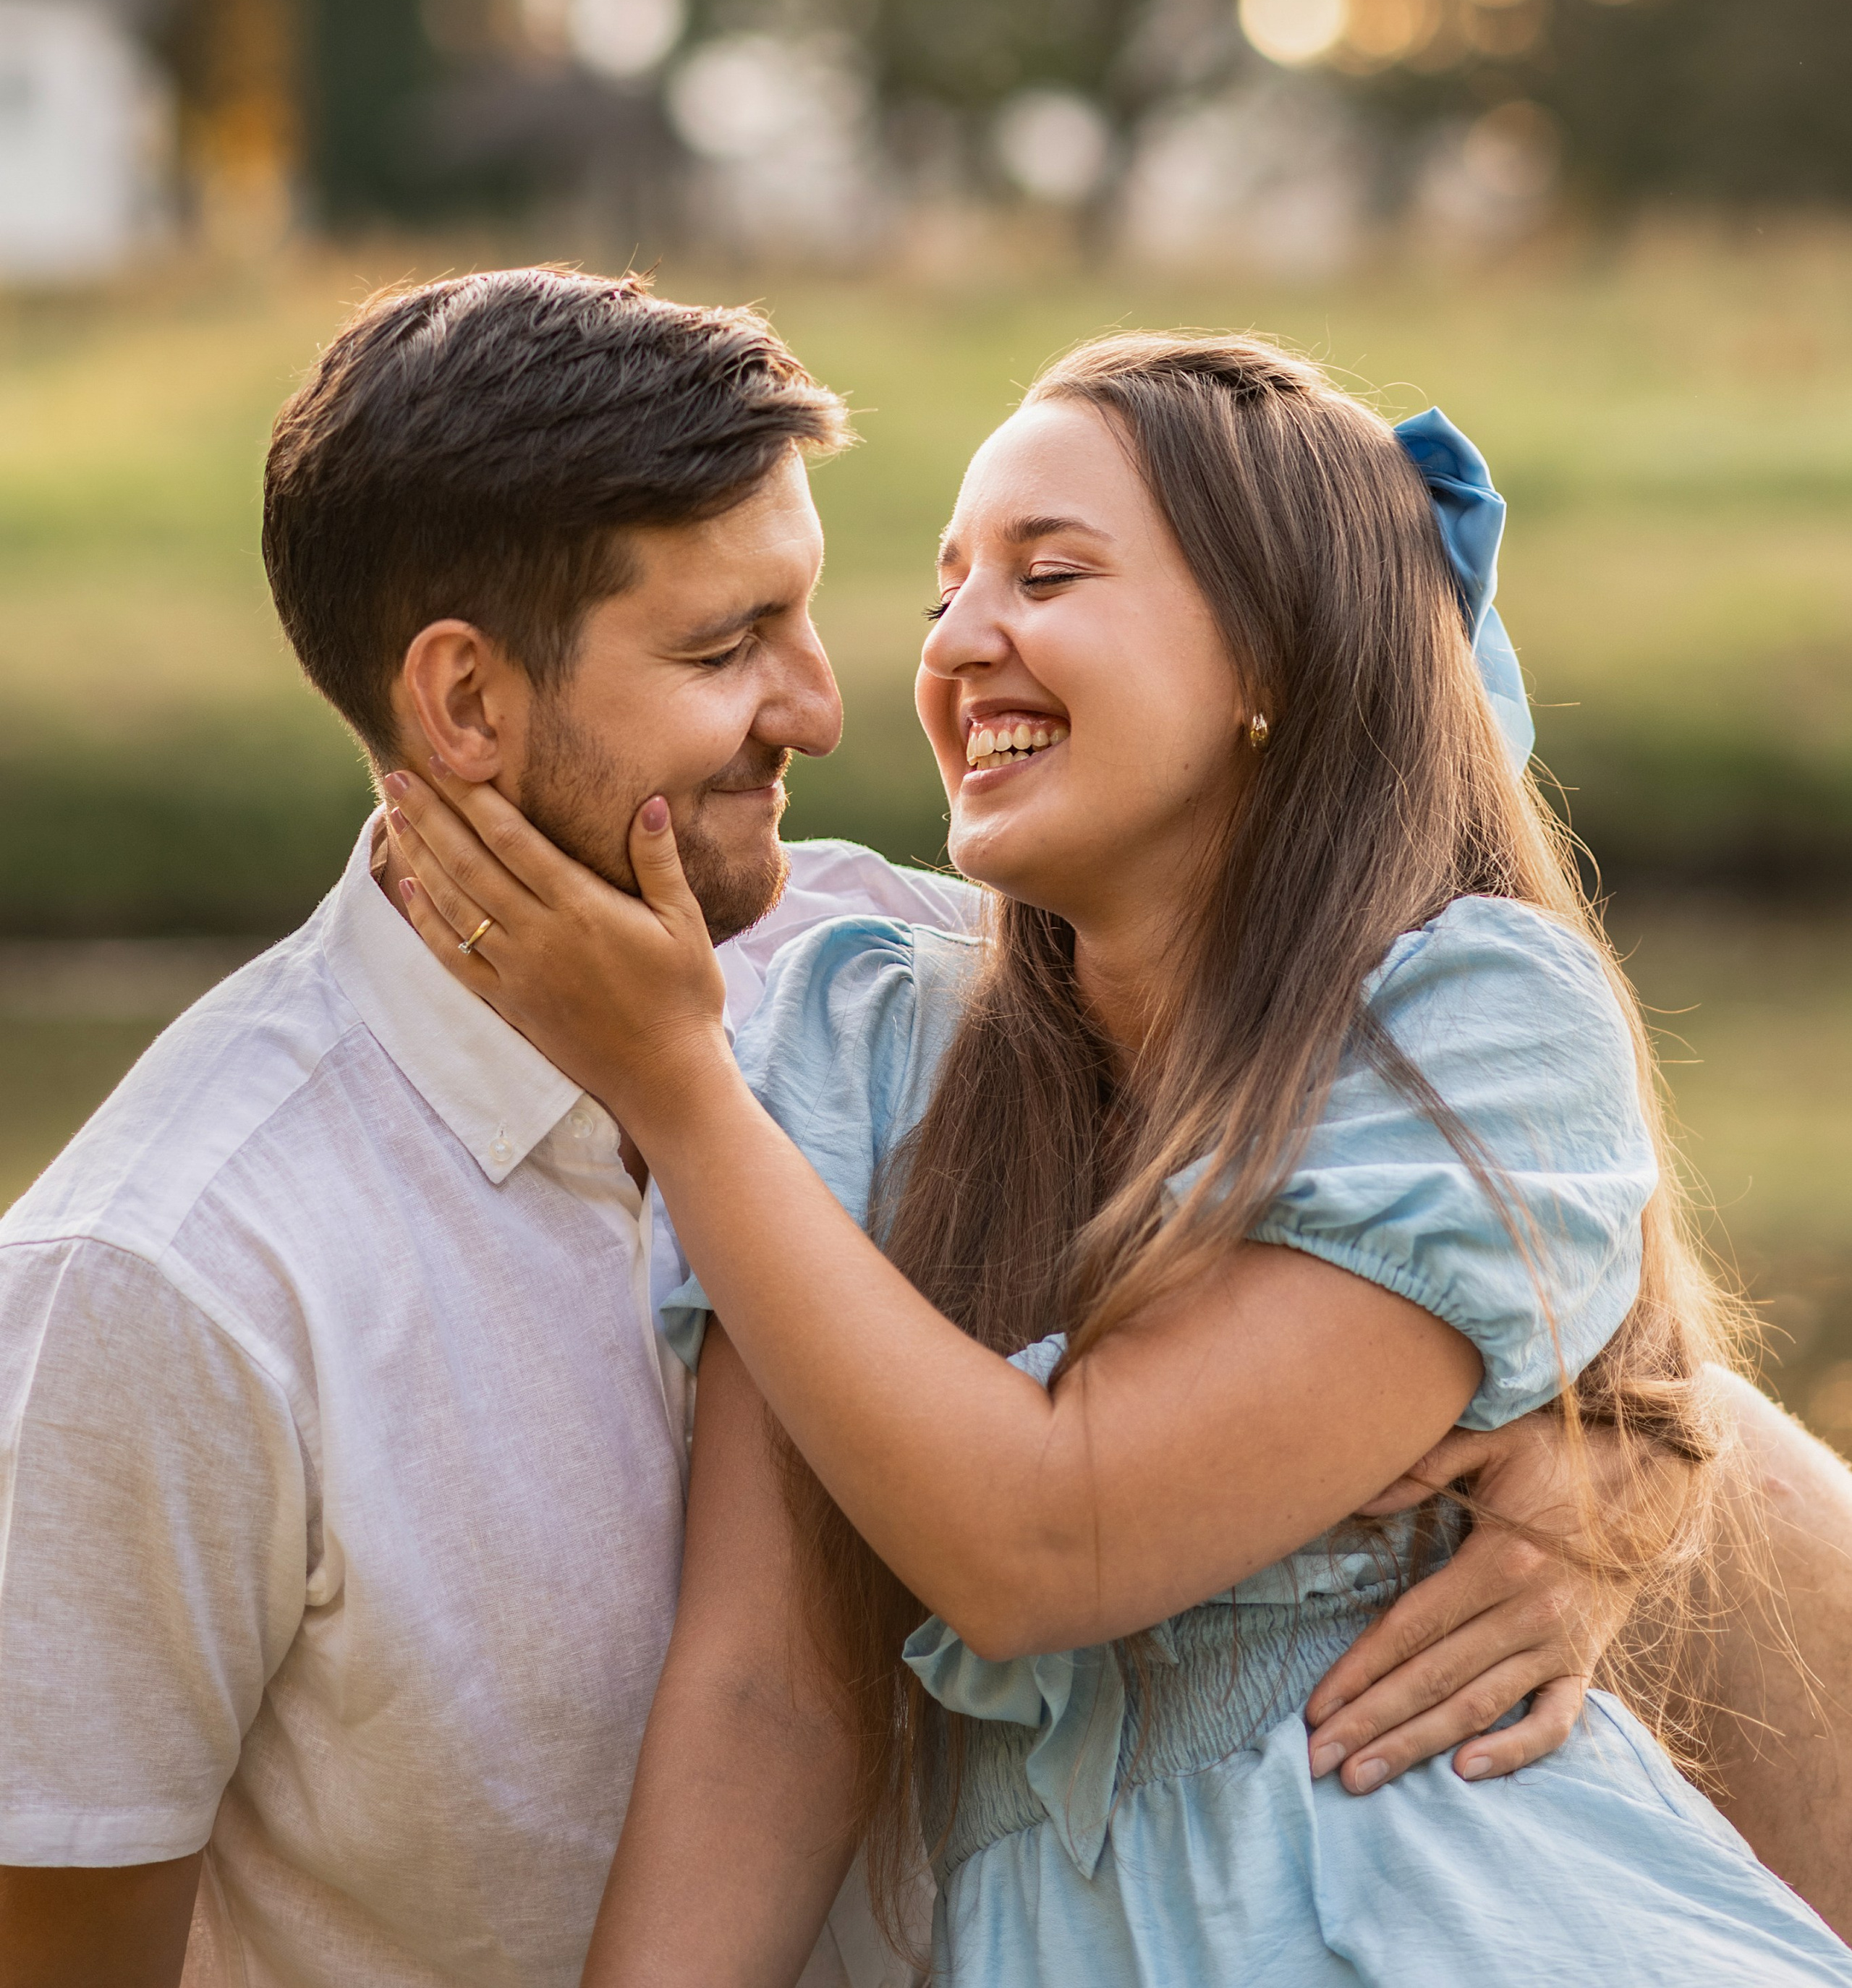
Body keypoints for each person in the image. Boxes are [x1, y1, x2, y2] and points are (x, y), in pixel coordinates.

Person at [0, 273, 1639, 1988]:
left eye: (809, 615)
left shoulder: (945, 981)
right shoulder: (155, 1282)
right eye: (721, 650)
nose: (830, 707)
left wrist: (1606, 1479)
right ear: (466, 707)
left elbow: (1499, 1247)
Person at [385, 328, 1852, 1984]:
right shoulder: (850, 1051)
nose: (956, 642)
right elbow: (767, 1699)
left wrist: (670, 1087)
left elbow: (1045, 1546)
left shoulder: (1470, 1022)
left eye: (1047, 572)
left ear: (1270, 659)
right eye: (946, 590)